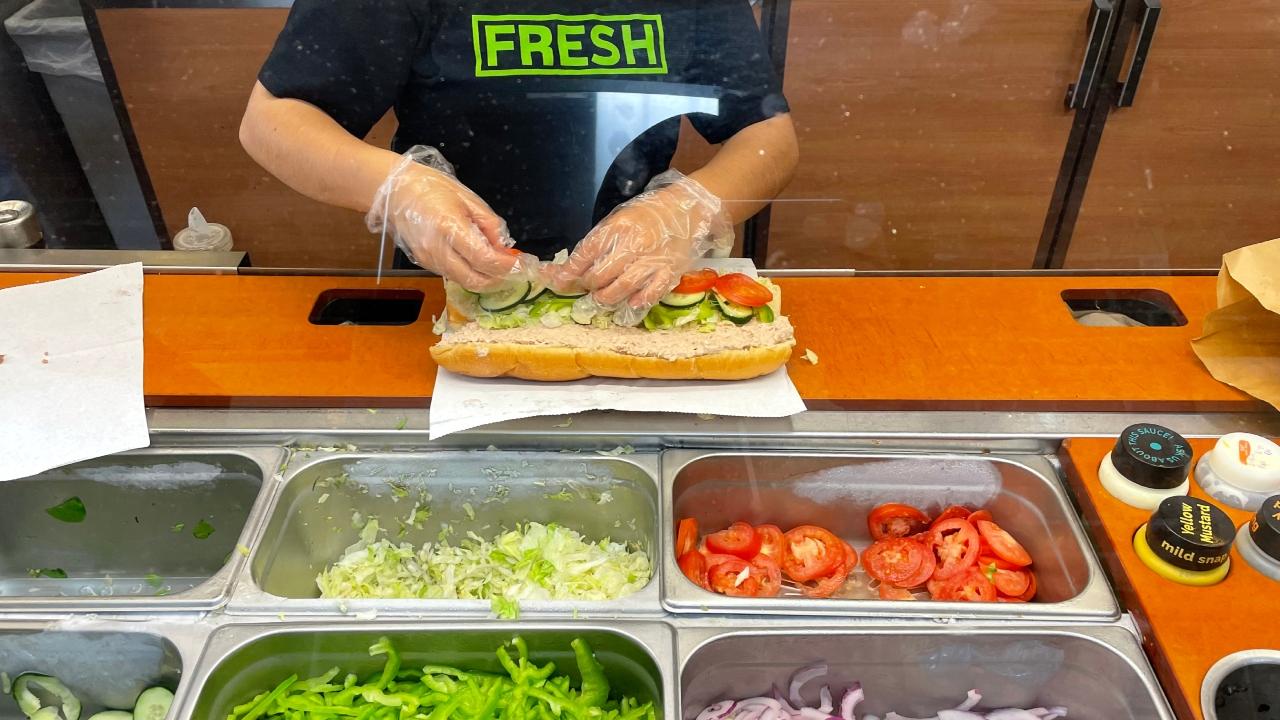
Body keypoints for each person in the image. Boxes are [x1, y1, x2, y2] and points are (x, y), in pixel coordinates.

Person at [240, 0, 798, 318]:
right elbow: (271, 120)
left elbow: (768, 134)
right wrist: (401, 189)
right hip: (460, 289)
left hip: (637, 287)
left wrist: (684, 209)